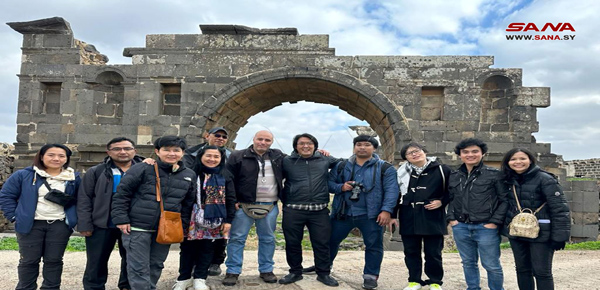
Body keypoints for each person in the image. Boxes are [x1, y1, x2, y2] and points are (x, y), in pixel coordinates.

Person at [111, 136, 196, 290]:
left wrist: (182, 227)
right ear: (157, 151)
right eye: (166, 150)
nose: (171, 154)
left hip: (166, 228)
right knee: (138, 266)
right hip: (138, 226)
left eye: (176, 150)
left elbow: (187, 205)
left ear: (183, 153)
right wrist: (121, 219)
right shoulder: (142, 168)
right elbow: (122, 194)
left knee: (156, 264)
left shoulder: (189, 175)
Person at [0, 144, 80, 290]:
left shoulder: (73, 177)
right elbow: (6, 195)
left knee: (54, 261)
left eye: (61, 156)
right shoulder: (24, 175)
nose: (56, 158)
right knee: (29, 261)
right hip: (31, 224)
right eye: (51, 155)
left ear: (67, 158)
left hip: (59, 224)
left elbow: (81, 199)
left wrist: (74, 219)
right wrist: (13, 216)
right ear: (42, 156)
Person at [327, 135, 399, 290]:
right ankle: (325, 268)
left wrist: (386, 211)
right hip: (343, 212)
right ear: (354, 147)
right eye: (358, 144)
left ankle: (371, 276)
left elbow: (392, 191)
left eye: (366, 145)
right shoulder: (342, 166)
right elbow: (329, 184)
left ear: (374, 148)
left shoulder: (385, 168)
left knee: (374, 245)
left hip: (371, 214)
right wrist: (342, 187)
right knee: (330, 241)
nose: (362, 147)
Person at [77, 137, 144, 290]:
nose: (122, 152)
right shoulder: (97, 171)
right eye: (117, 149)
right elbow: (84, 198)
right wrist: (85, 223)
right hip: (102, 223)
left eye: (127, 148)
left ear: (135, 151)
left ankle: (127, 286)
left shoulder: (144, 170)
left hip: (134, 223)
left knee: (131, 259)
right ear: (108, 152)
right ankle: (94, 287)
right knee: (96, 261)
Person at [500, 148, 570, 290]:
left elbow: (559, 209)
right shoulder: (508, 180)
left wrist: (560, 236)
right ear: (508, 162)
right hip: (518, 232)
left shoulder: (545, 179)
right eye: (513, 159)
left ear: (530, 160)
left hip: (542, 233)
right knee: (522, 270)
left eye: (522, 158)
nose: (518, 162)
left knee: (542, 272)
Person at [221, 130, 284, 286]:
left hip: (270, 205)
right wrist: (233, 200)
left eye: (267, 140)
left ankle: (266, 269)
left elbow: (298, 160)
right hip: (243, 205)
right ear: (253, 139)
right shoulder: (237, 156)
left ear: (272, 142)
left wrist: (321, 153)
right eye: (260, 139)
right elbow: (228, 178)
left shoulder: (278, 156)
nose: (263, 142)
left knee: (268, 239)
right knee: (237, 239)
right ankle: (233, 271)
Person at [279, 133, 340, 287]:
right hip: (293, 209)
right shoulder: (287, 161)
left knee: (321, 243)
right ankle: (295, 272)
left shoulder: (325, 159)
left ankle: (323, 273)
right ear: (295, 146)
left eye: (309, 143)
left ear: (315, 145)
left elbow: (345, 164)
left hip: (319, 210)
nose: (306, 146)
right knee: (292, 242)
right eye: (302, 143)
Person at [446, 138, 507, 290]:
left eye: (475, 151)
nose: (470, 155)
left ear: (483, 153)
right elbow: (451, 198)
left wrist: (494, 223)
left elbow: (505, 200)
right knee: (468, 262)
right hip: (461, 226)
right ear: (460, 155)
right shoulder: (454, 175)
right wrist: (451, 219)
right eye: (465, 152)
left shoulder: (494, 174)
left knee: (491, 265)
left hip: (485, 227)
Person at [173, 146, 236, 290]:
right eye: (208, 155)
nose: (212, 159)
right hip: (191, 216)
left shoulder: (225, 176)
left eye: (216, 156)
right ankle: (183, 278)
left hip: (214, 217)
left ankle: (200, 278)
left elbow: (231, 199)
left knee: (208, 248)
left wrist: (228, 220)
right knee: (187, 248)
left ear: (221, 159)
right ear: (201, 156)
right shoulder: (190, 173)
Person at [391, 142, 451, 290]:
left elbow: (452, 191)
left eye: (417, 151)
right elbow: (395, 194)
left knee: (433, 252)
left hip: (433, 216)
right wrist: (393, 215)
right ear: (406, 158)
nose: (414, 154)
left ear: (424, 151)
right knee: (411, 251)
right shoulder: (401, 173)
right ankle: (414, 280)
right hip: (408, 215)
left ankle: (435, 281)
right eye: (409, 153)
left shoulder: (442, 170)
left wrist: (441, 202)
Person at [183, 126, 232, 276]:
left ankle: (215, 262)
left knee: (217, 237)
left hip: (218, 204)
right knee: (191, 239)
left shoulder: (231, 156)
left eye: (224, 137)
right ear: (206, 135)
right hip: (196, 203)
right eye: (217, 135)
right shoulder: (191, 153)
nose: (220, 138)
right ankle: (189, 269)